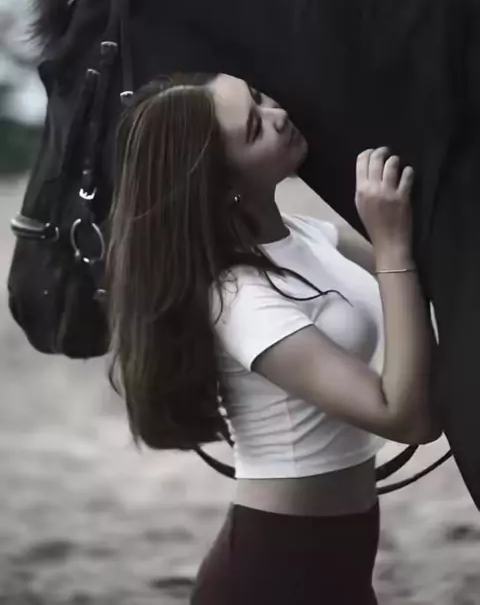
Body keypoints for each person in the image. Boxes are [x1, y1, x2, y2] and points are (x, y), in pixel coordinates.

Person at [106, 72, 441, 605]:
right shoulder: (239, 298)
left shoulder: (307, 234)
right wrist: (392, 244)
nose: (279, 116)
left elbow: (427, 284)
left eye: (260, 98)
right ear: (221, 182)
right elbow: (406, 417)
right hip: (273, 573)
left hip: (343, 563)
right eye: (254, 128)